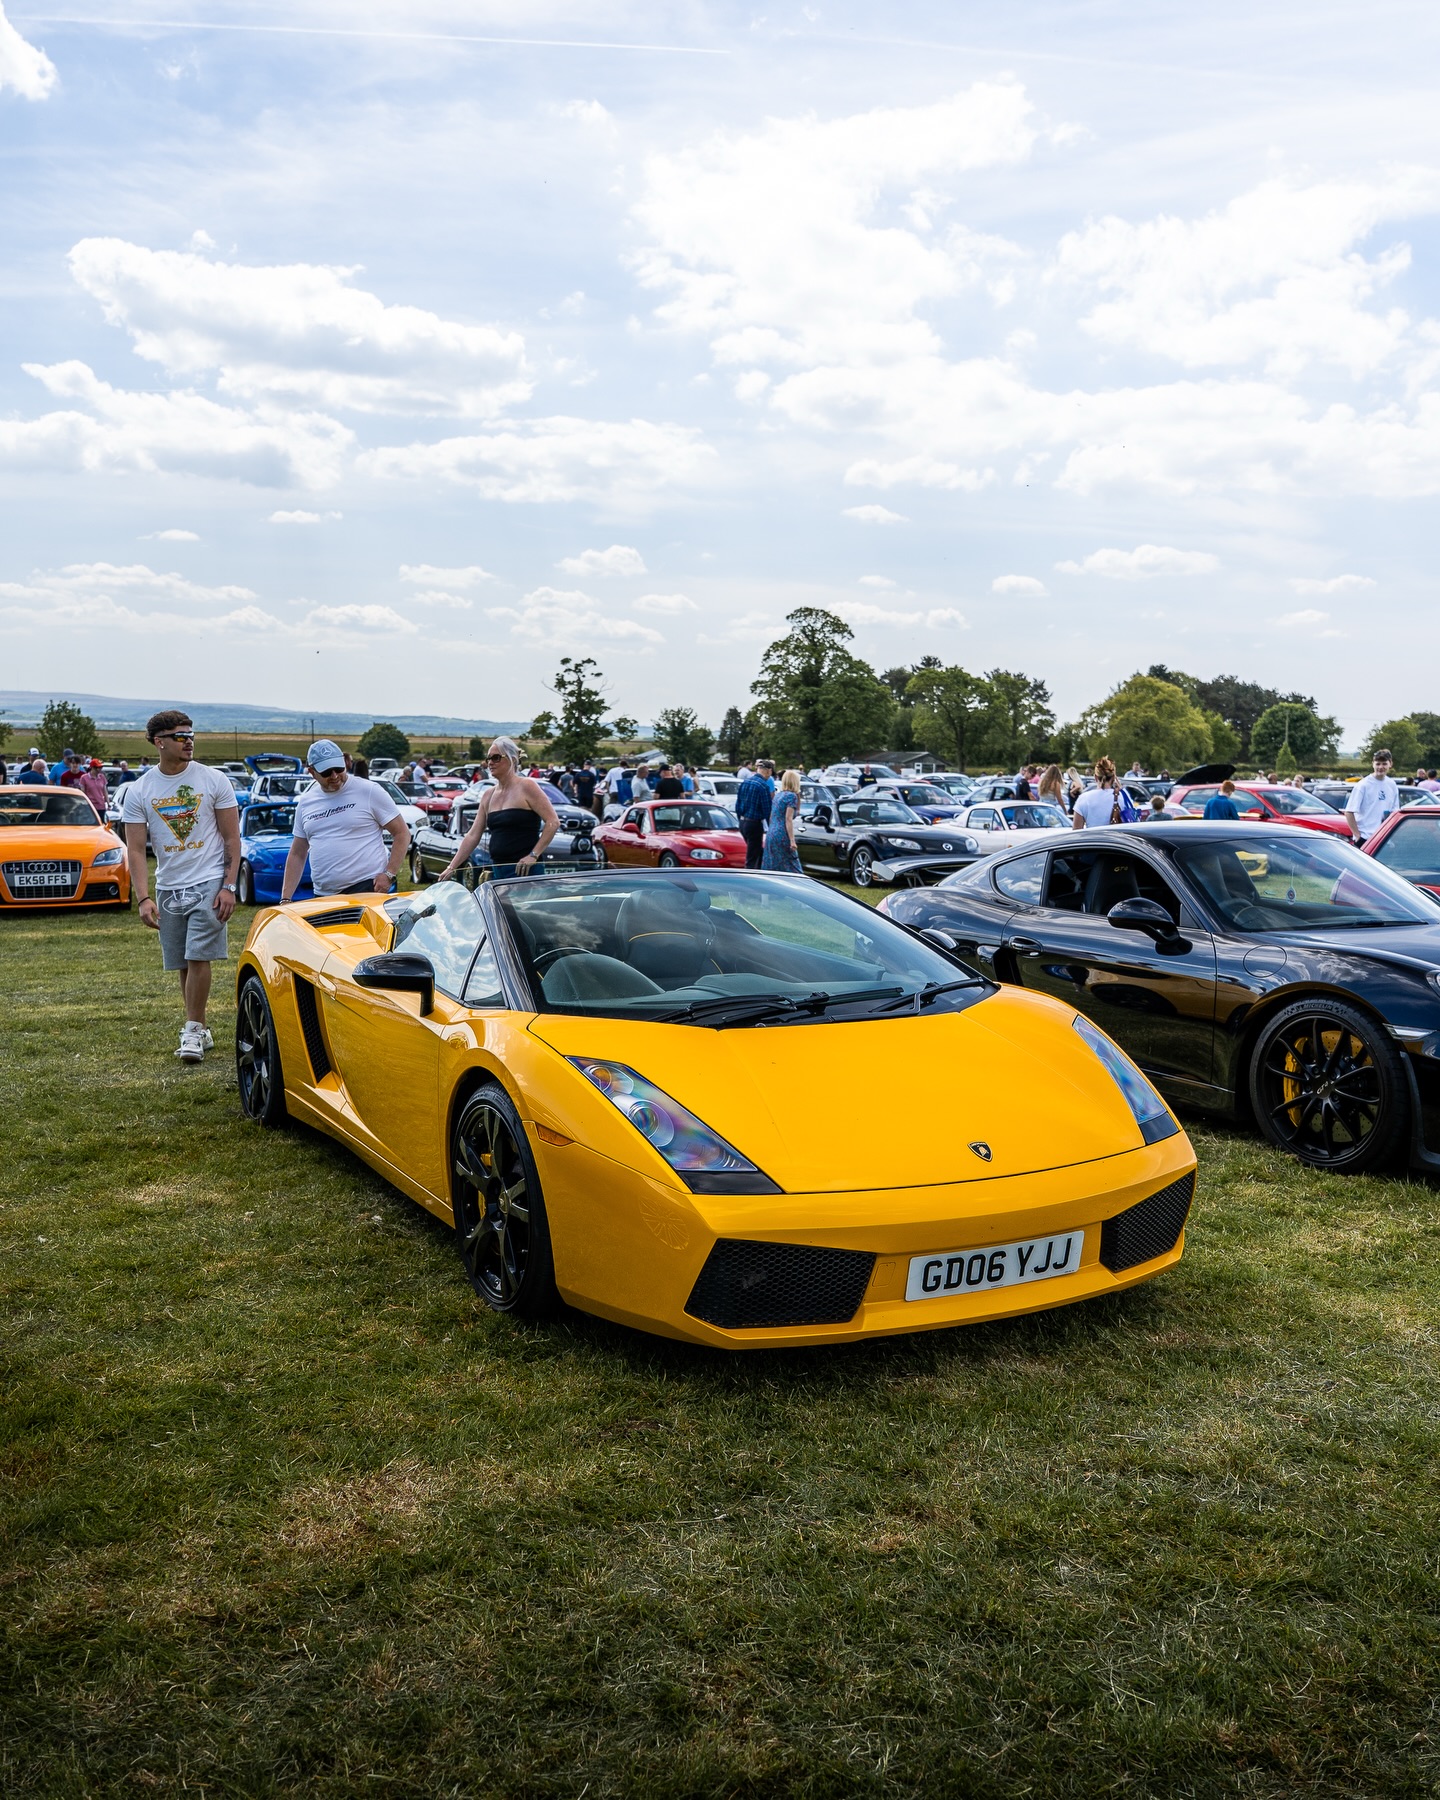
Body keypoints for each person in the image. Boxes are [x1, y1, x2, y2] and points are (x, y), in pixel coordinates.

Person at [121, 710, 241, 1064]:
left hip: (209, 880)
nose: (188, 741)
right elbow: (135, 850)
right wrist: (143, 897)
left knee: (198, 955)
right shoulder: (140, 790)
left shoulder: (214, 779)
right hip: (169, 886)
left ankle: (192, 1030)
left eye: (191, 735)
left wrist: (229, 885)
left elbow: (232, 838)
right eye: (180, 736)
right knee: (183, 961)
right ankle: (199, 1026)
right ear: (159, 742)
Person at [282, 739, 410, 900]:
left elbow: (402, 833)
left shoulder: (369, 791)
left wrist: (389, 874)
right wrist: (285, 898)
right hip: (324, 895)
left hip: (367, 888)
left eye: (338, 768)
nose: (334, 776)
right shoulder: (306, 802)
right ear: (312, 772)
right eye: (326, 772)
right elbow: (297, 853)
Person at [439, 736, 559, 882]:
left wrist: (533, 855)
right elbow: (473, 835)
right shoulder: (488, 795)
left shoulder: (527, 786)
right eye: (488, 758)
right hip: (498, 869)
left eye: (496, 758)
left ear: (512, 759)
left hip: (525, 871)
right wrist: (451, 867)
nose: (490, 762)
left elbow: (553, 822)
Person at [1345, 750, 1399, 846]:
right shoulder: (1363, 785)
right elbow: (1349, 812)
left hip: (1384, 838)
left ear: (1390, 764)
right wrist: (1357, 836)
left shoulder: (1392, 785)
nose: (1380, 767)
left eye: (1384, 764)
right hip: (1365, 838)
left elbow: (1394, 813)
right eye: (1378, 764)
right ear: (1373, 764)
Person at [736, 759, 775, 868]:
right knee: (752, 858)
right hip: (754, 824)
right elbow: (767, 810)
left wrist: (740, 820)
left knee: (757, 852)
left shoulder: (745, 782)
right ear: (769, 771)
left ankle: (759, 870)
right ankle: (750, 875)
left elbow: (738, 805)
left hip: (743, 822)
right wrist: (771, 828)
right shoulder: (763, 786)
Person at [1072, 757, 1132, 829]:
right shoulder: (1123, 796)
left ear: (1095, 777)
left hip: (1094, 836)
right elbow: (1132, 823)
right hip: (1117, 836)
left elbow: (1076, 830)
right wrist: (1121, 790)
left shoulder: (1084, 798)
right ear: (1114, 778)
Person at [762, 770, 804, 872]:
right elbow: (788, 819)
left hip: (771, 833)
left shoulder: (778, 795)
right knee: (793, 866)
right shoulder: (791, 796)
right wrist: (792, 840)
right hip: (782, 833)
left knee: (773, 864)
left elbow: (772, 816)